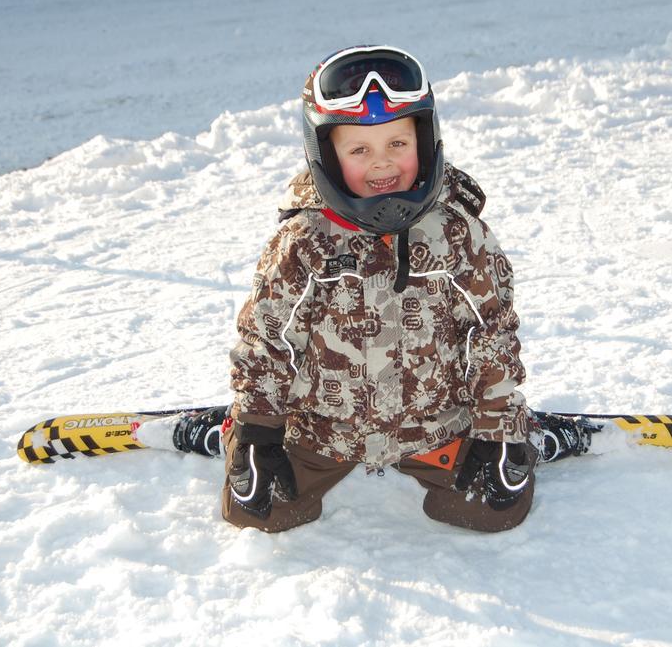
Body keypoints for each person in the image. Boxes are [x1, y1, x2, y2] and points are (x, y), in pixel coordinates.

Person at [173, 46, 589, 533]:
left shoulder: (457, 234)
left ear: (426, 140)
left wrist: (497, 428)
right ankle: (229, 433)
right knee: (260, 513)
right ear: (326, 154)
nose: (382, 164)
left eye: (397, 143)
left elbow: (489, 333)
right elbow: (268, 342)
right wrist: (257, 431)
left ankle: (531, 435)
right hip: (323, 431)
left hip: (433, 426)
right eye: (359, 150)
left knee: (490, 511)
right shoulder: (306, 242)